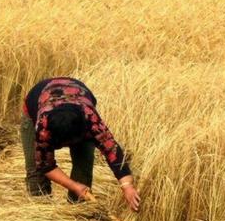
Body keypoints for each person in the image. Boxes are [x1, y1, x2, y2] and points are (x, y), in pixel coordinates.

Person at [20, 77, 140, 212]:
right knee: (35, 173)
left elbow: (113, 152)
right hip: (35, 105)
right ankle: (40, 215)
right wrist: (73, 186)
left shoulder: (90, 120)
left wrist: (127, 186)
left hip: (78, 104)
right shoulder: (43, 127)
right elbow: (45, 165)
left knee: (84, 167)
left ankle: (77, 215)